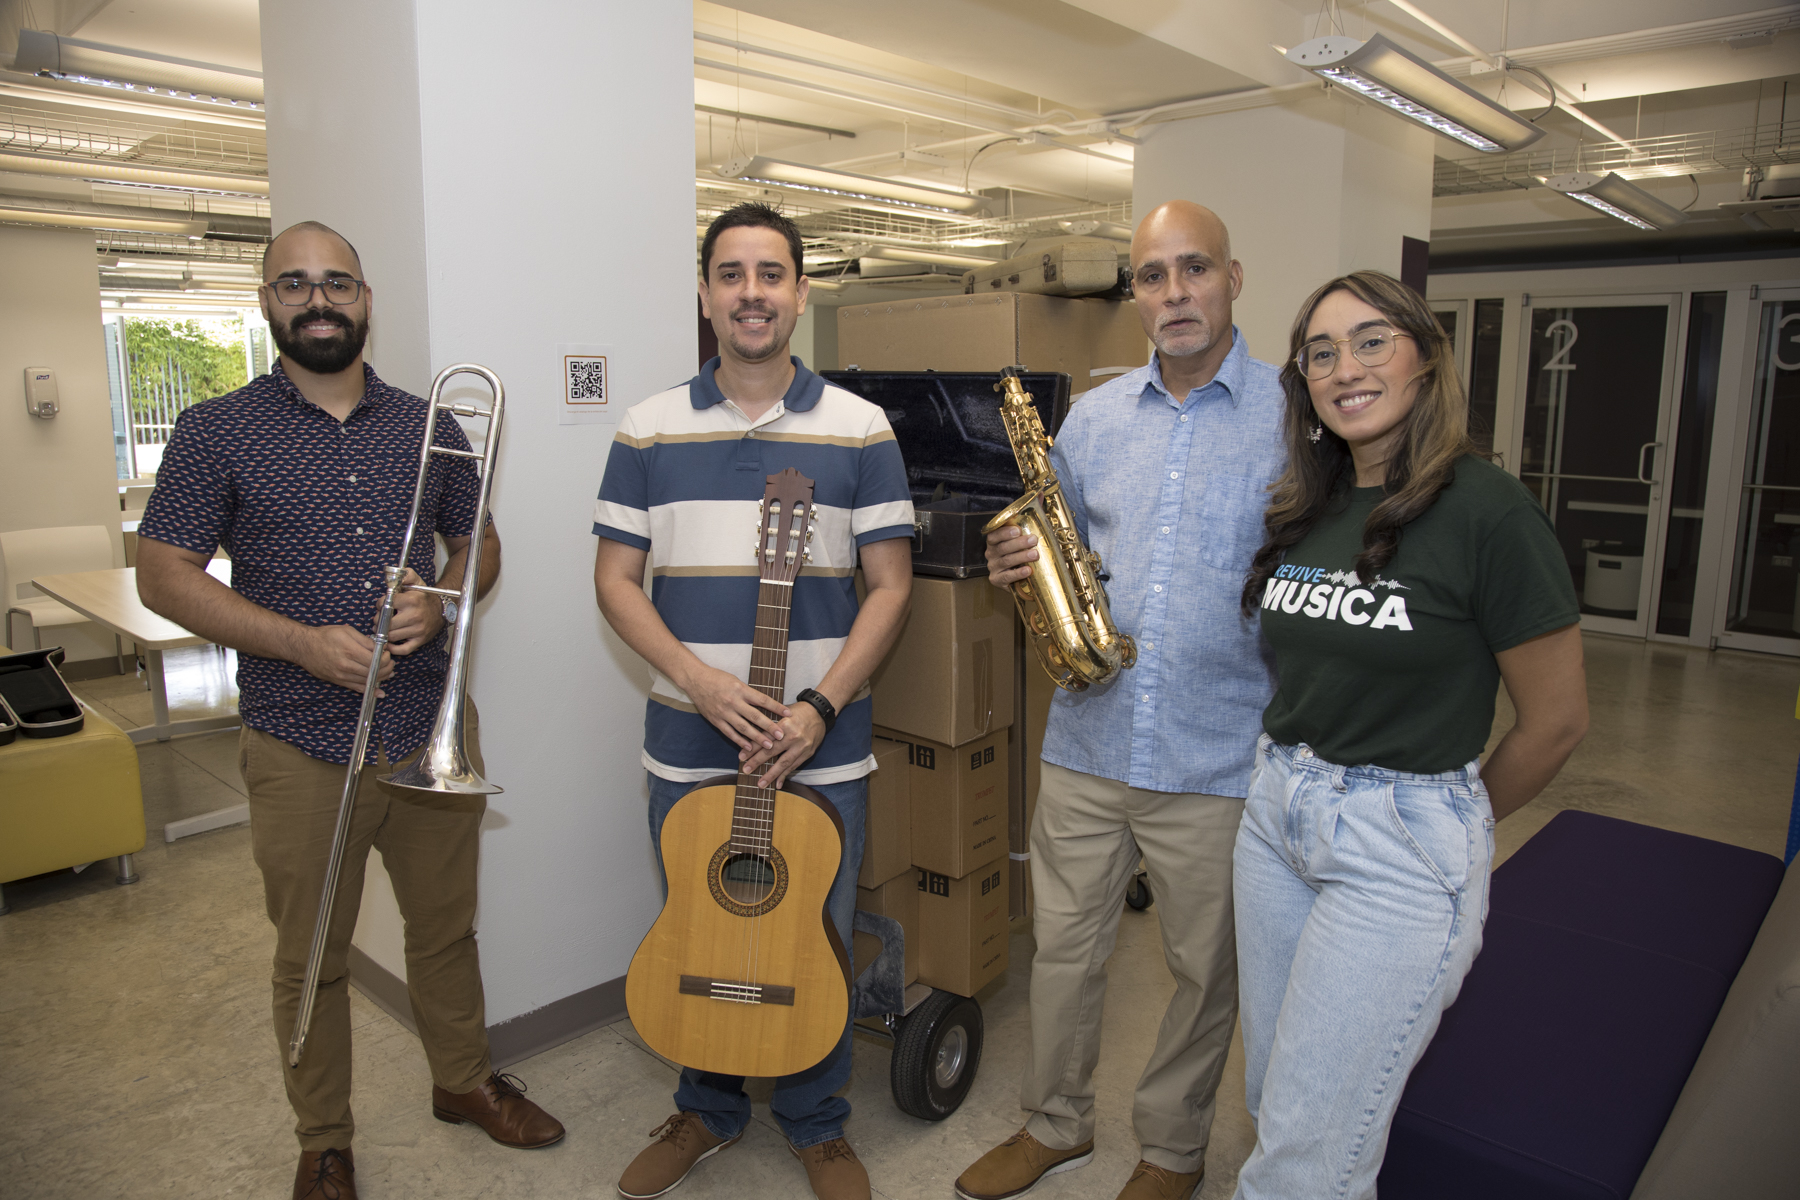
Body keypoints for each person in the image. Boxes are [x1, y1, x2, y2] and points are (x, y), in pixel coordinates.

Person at [136, 221, 563, 1200]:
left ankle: (463, 1082)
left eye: (337, 283)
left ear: (366, 300)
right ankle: (323, 1138)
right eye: (295, 283)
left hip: (426, 727)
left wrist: (444, 595)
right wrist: (298, 641)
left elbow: (480, 541)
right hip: (297, 740)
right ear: (267, 301)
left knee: (446, 930)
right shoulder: (216, 430)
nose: (318, 299)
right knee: (312, 952)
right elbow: (162, 574)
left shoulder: (429, 421)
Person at [1231, 270, 1589, 1200]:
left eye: (1371, 340)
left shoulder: (1489, 512)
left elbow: (1555, 723)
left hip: (1401, 842)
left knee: (1307, 1157)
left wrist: (1447, 823)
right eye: (1320, 351)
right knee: (1277, 1101)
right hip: (1276, 816)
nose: (1344, 367)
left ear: (1425, 357)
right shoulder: (1306, 505)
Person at [956, 200, 1286, 1200]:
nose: (1173, 292)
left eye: (1194, 269)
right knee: (1061, 952)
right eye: (1152, 274)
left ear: (1234, 278)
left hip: (1220, 751)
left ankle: (1173, 1149)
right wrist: (1011, 559)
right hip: (1089, 739)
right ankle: (1054, 1124)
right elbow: (1047, 553)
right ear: (1135, 291)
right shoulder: (1092, 419)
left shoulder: (1296, 418)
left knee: (1204, 973)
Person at [592, 201, 913, 1200]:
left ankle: (819, 1120)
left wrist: (817, 707)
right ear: (705, 293)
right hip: (689, 743)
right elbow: (613, 580)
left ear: (801, 292)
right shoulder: (648, 426)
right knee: (704, 921)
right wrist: (698, 680)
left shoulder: (862, 429)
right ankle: (708, 1108)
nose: (751, 294)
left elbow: (891, 586)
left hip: (822, 744)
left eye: (771, 274)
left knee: (814, 927)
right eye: (731, 275)